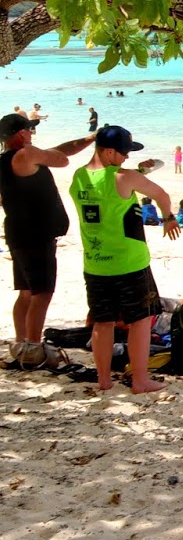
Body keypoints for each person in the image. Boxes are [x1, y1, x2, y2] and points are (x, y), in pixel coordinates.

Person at [72, 125, 181, 393]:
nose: (126, 157)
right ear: (108, 151)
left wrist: (137, 173)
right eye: (123, 152)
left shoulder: (78, 177)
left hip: (96, 262)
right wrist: (168, 218)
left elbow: (106, 193)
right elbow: (162, 195)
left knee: (103, 321)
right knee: (140, 321)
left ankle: (104, 380)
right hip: (130, 263)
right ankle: (140, 380)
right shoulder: (125, 177)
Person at [1, 113, 95, 369]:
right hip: (35, 234)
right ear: (21, 133)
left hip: (19, 232)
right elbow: (62, 160)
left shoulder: (9, 159)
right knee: (42, 293)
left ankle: (21, 344)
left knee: (26, 292)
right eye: (29, 130)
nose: (32, 134)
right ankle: (33, 348)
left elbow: (60, 150)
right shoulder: (26, 155)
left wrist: (89, 139)